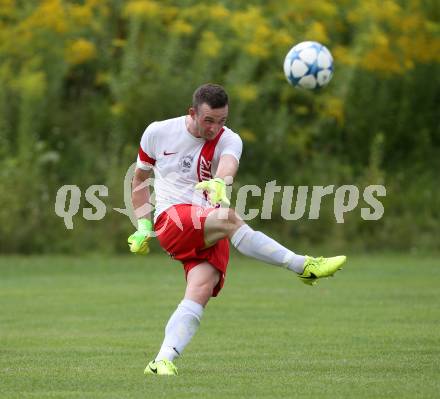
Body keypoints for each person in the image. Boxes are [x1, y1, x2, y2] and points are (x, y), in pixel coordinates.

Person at [128, 83, 346, 376]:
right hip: (173, 219)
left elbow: (228, 164)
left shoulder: (229, 140)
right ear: (191, 113)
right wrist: (143, 226)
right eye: (209, 120)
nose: (215, 128)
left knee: (200, 289)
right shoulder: (158, 132)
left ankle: (161, 360)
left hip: (207, 222)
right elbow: (139, 179)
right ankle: (303, 265)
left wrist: (220, 182)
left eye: (222, 121)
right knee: (228, 218)